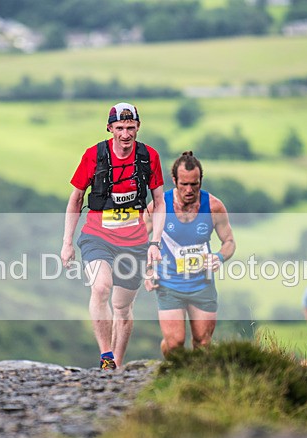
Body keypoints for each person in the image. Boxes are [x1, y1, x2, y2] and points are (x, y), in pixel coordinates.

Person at [61, 102, 166, 371]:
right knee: (100, 287)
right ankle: (106, 356)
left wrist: (155, 242)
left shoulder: (149, 157)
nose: (126, 134)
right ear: (110, 128)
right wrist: (67, 243)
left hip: (135, 241)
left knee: (122, 306)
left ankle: (117, 363)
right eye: (120, 128)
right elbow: (75, 199)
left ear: (138, 127)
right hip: (97, 236)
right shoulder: (93, 156)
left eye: (131, 128)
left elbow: (160, 202)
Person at [144, 151, 235, 356]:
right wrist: (148, 269)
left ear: (200, 180)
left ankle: (195, 383)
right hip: (169, 283)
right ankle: (169, 359)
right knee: (175, 344)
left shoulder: (214, 206)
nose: (189, 190)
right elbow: (139, 240)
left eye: (194, 184)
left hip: (202, 284)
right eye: (183, 184)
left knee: (202, 343)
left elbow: (229, 242)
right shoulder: (160, 206)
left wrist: (219, 257)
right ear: (174, 180)